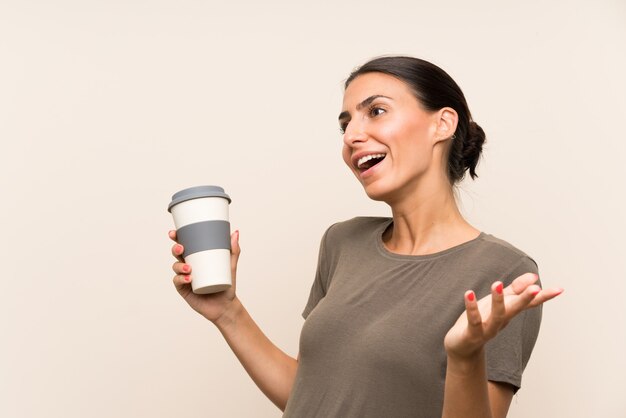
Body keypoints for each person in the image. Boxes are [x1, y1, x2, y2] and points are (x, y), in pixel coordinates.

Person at [169, 56, 563, 418]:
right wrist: (228, 312)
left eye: (375, 112)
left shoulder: (503, 271)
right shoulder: (342, 242)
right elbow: (313, 396)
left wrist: (464, 356)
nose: (352, 136)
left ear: (441, 124)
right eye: (345, 124)